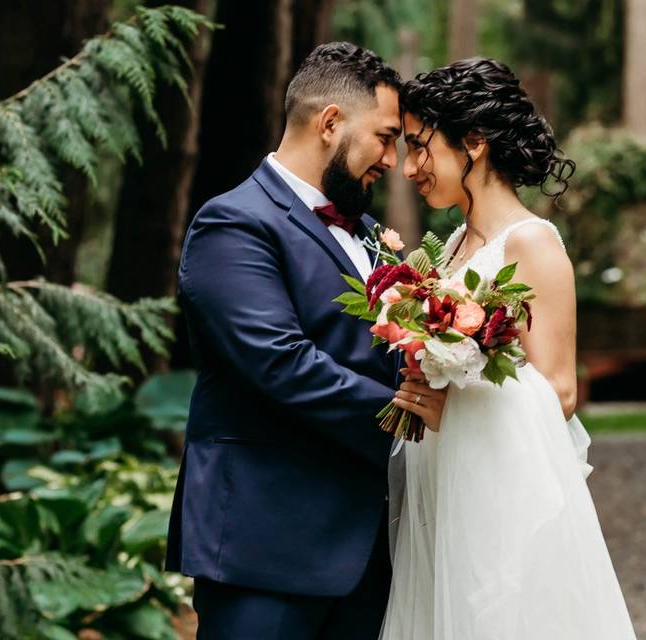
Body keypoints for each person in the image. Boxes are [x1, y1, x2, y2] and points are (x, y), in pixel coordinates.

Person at [165, 42, 445, 639]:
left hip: (369, 549)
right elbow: (279, 362)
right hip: (264, 547)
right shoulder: (232, 223)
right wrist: (411, 420)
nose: (393, 161)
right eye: (386, 137)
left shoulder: (371, 233)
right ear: (330, 123)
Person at [380, 57, 638, 639]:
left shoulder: (533, 244)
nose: (409, 167)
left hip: (500, 491)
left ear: (473, 143)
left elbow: (561, 391)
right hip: (447, 480)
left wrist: (458, 398)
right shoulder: (453, 244)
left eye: (421, 147)